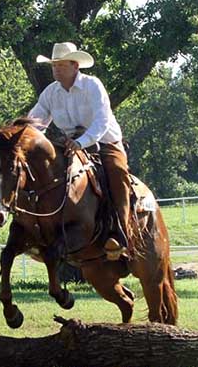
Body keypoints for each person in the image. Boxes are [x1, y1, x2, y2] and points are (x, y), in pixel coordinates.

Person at [29, 42, 131, 260]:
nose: (56, 69)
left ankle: (121, 234)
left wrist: (82, 142)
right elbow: (35, 122)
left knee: (117, 173)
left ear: (75, 65)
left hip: (105, 143)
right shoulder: (50, 93)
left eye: (60, 65)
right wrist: (20, 138)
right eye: (53, 65)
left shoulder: (92, 85)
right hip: (70, 145)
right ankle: (40, 232)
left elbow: (102, 121)